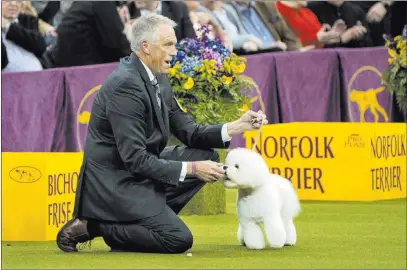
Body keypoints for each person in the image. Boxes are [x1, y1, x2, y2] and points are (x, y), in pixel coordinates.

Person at [56, 14, 267, 254]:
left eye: (174, 43)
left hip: (137, 171)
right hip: (116, 182)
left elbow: (189, 131)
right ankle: (98, 224)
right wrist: (194, 169)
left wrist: (236, 126)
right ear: (145, 47)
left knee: (205, 154)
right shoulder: (125, 85)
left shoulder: (158, 75)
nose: (174, 51)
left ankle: (141, 221)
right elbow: (134, 159)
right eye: (168, 44)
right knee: (178, 239)